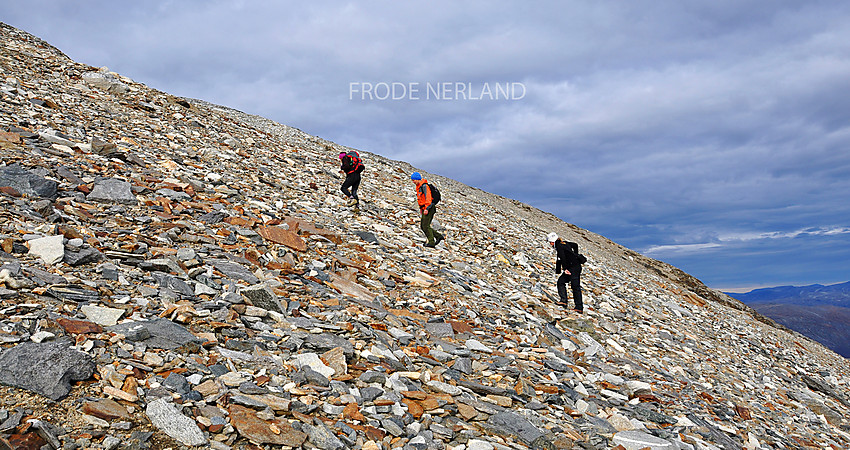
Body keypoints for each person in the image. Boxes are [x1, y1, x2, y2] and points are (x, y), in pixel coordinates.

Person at [548, 232, 583, 312]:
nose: (550, 244)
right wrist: (575, 255)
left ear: (553, 241)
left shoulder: (559, 246)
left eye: (550, 242)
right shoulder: (564, 243)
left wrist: (566, 269)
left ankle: (578, 307)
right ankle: (565, 302)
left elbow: (563, 258)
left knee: (574, 286)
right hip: (575, 266)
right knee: (562, 282)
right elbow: (575, 245)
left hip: (572, 268)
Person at [411, 172, 445, 248]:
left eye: (413, 180)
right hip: (424, 208)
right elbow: (421, 199)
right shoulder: (419, 186)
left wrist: (427, 208)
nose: (413, 182)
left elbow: (428, 198)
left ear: (417, 179)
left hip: (429, 208)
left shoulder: (424, 186)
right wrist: (421, 209)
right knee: (423, 226)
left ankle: (431, 242)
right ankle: (438, 236)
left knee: (425, 226)